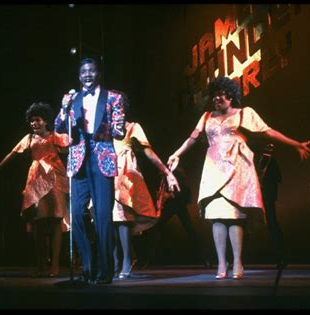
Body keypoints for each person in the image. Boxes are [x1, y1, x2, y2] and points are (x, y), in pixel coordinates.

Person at [167, 77, 310, 280]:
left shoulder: (245, 113)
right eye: (215, 94)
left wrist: (295, 144)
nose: (217, 98)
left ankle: (237, 261)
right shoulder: (206, 116)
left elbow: (268, 132)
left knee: (235, 214)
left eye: (221, 94)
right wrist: (177, 154)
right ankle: (221, 263)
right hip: (214, 167)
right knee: (216, 215)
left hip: (237, 166)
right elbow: (192, 138)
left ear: (231, 95)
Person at [55, 57, 125, 285]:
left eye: (91, 71)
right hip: (78, 160)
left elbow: (119, 131)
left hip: (102, 158)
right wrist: (64, 108)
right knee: (76, 213)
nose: (87, 75)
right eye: (83, 71)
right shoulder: (72, 99)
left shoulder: (113, 97)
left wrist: (111, 126)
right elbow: (58, 126)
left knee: (103, 216)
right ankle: (88, 265)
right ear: (78, 76)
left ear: (98, 74)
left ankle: (105, 271)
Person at [0, 102, 69, 277]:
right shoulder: (29, 138)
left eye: (38, 120)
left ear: (46, 121)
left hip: (55, 178)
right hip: (37, 180)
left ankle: (54, 265)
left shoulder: (55, 136)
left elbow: (70, 148)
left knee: (56, 220)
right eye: (32, 121)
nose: (34, 123)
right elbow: (12, 153)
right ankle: (40, 263)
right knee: (38, 222)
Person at [110, 91, 180, 279]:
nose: (117, 111)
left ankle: (126, 259)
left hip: (126, 173)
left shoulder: (133, 127)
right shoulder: (104, 128)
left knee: (122, 216)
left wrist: (167, 172)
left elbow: (148, 152)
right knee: (110, 219)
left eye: (120, 107)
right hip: (107, 172)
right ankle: (115, 260)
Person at [138, 164, 209, 269]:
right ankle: (147, 260)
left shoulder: (177, 173)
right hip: (168, 206)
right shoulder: (162, 177)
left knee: (190, 230)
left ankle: (205, 259)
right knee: (155, 228)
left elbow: (186, 192)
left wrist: (170, 195)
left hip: (177, 204)